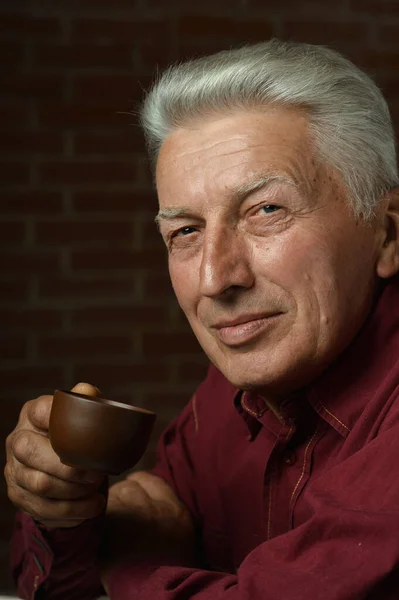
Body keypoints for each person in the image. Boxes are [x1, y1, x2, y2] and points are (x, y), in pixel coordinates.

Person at [5, 39, 399, 599]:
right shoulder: (231, 395)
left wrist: (122, 563)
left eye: (266, 210)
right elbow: (54, 584)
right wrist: (67, 514)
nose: (216, 278)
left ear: (388, 232)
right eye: (185, 231)